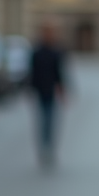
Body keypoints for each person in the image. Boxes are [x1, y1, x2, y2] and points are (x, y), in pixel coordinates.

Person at [29, 21, 66, 168]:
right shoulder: (37, 52)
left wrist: (62, 91)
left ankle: (49, 147)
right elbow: (32, 73)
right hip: (40, 91)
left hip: (51, 91)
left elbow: (59, 74)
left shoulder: (56, 51)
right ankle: (44, 147)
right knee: (43, 121)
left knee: (50, 121)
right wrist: (30, 90)